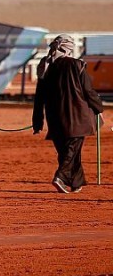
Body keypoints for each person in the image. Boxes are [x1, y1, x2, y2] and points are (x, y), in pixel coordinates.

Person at [33, 35, 104, 193]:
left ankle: (76, 182)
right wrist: (98, 108)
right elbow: (88, 92)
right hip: (77, 116)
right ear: (69, 48)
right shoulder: (77, 65)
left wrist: (37, 122)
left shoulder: (45, 65)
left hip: (55, 118)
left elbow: (39, 97)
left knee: (67, 152)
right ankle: (61, 177)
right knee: (71, 150)